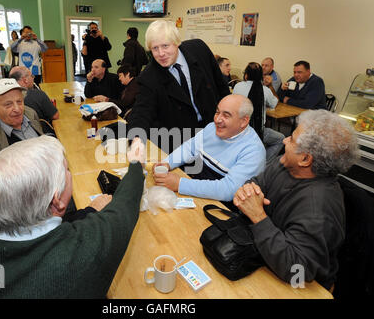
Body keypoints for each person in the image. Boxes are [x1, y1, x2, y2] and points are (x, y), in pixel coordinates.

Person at [0, 136, 146, 298]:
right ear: (57, 200)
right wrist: (136, 164)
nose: (69, 174)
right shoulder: (87, 250)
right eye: (66, 170)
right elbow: (124, 206)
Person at [233, 109, 359, 290]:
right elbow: (254, 183)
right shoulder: (284, 164)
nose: (283, 140)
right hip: (263, 255)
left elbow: (297, 271)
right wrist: (246, 191)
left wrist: (258, 216)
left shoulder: (318, 208)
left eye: (291, 139)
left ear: (305, 159)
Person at [127, 20, 230, 154]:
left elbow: (221, 85)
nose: (161, 53)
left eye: (165, 46)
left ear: (176, 42)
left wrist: (230, 119)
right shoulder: (149, 76)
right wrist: (136, 141)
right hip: (181, 141)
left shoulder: (199, 49)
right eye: (155, 48)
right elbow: (141, 111)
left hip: (214, 130)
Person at [153, 94, 265, 203]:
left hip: (220, 205)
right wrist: (167, 163)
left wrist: (180, 184)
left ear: (244, 121)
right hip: (195, 189)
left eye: (226, 115)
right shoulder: (212, 128)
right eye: (217, 112)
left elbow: (228, 190)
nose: (217, 120)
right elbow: (190, 148)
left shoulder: (253, 151)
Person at [233, 62, 285, 162]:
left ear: (246, 75)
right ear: (262, 76)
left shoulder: (238, 86)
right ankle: (263, 162)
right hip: (258, 131)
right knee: (281, 138)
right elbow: (274, 103)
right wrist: (269, 86)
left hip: (237, 129)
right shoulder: (265, 90)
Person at [9, 66, 59, 134]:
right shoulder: (38, 94)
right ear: (25, 80)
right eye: (31, 76)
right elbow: (55, 116)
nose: (33, 77)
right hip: (43, 136)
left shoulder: (7, 99)